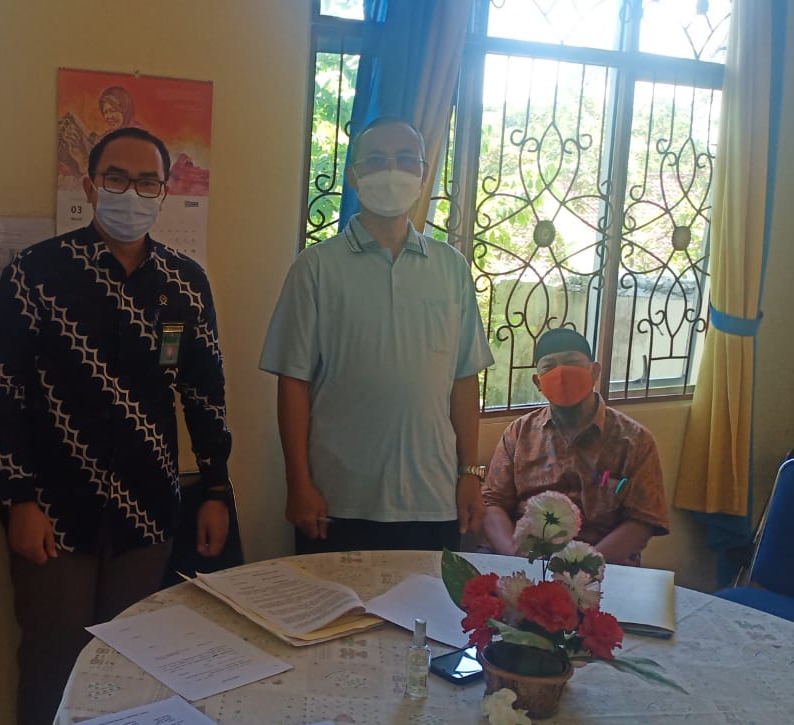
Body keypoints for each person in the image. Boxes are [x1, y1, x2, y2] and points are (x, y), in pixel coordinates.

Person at [0, 127, 233, 725]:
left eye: (147, 181)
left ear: (164, 191)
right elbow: (3, 392)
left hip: (148, 513)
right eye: (116, 177)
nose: (131, 192)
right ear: (90, 185)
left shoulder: (185, 283)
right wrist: (18, 497)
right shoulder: (35, 273)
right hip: (53, 513)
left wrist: (217, 489)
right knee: (55, 665)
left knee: (136, 668)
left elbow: (204, 394)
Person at [260, 116, 493, 555]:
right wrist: (298, 483)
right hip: (338, 500)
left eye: (405, 159)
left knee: (427, 603)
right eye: (376, 160)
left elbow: (464, 380)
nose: (391, 171)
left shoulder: (451, 268)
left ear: (423, 173)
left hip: (433, 499)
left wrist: (470, 474)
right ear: (353, 175)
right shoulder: (316, 267)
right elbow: (293, 381)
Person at [481, 327, 670, 565]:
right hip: (525, 560)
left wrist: (581, 564)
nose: (561, 374)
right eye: (549, 367)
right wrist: (514, 554)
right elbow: (492, 503)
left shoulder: (634, 441)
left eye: (572, 363)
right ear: (538, 382)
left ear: (594, 371)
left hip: (602, 565)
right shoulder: (519, 434)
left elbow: (643, 521)